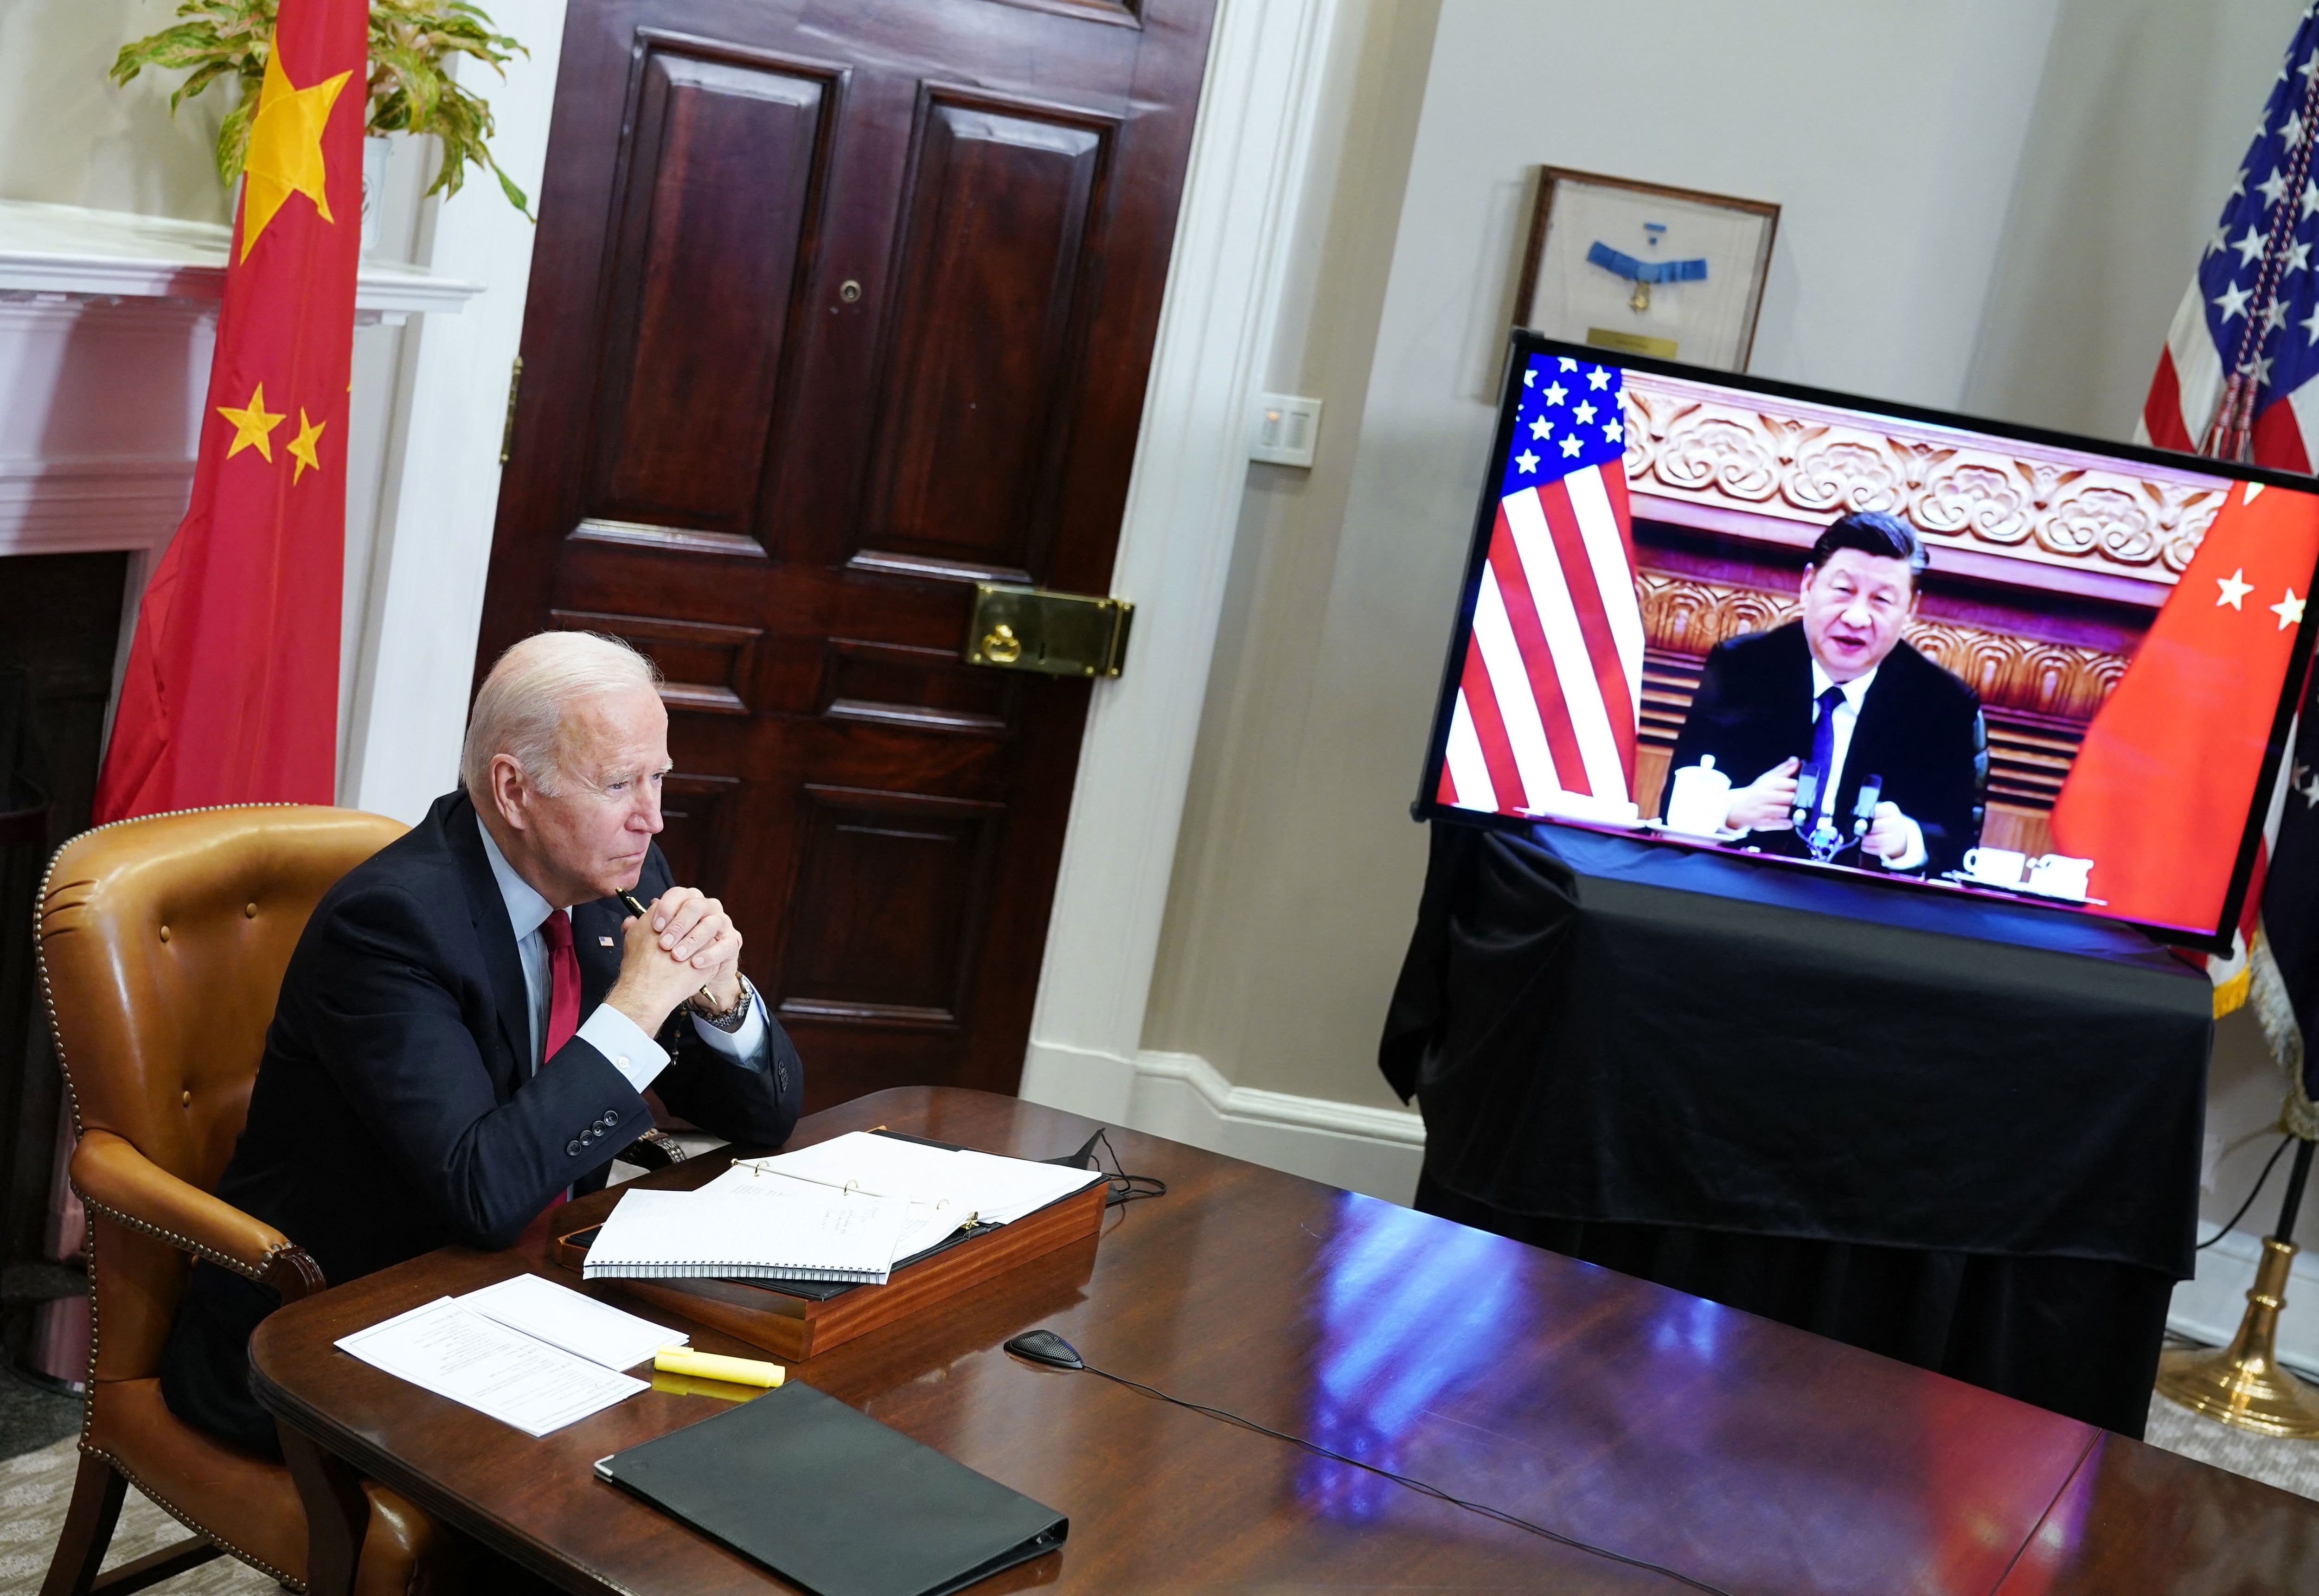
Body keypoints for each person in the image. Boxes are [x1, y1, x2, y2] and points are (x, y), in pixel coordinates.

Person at [159, 631, 803, 1455]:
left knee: (732, 1423)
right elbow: (483, 1193)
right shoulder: (391, 925)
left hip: (527, 1291)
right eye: (618, 783)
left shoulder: (618, 872)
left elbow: (767, 1116)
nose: (652, 816)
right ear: (513, 789)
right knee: (616, 1468)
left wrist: (726, 1002)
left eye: (657, 777)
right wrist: (637, 1009)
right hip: (338, 1323)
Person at [1663, 510, 1986, 877]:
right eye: (1844, 591)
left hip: (1867, 916)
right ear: (1809, 584)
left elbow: (1961, 849)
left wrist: (1907, 842)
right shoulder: (1743, 669)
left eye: (1882, 600)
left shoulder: (1943, 705)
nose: (1857, 617)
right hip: (1740, 894)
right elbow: (1674, 809)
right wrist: (1732, 811)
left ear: (1910, 609)